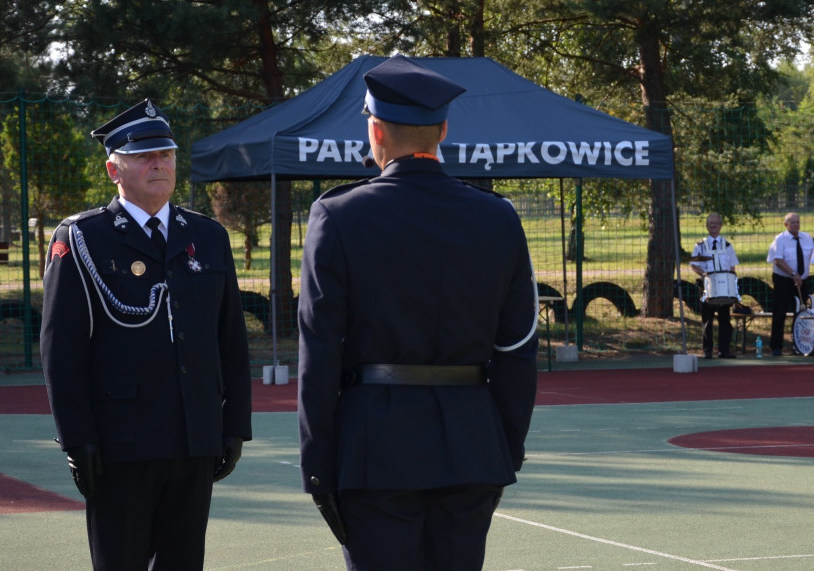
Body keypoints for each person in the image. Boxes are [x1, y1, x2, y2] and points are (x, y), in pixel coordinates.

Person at [297, 55, 538, 571]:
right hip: (474, 446)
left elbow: (319, 354)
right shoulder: (498, 217)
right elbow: (517, 351)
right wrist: (504, 448)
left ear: (375, 130)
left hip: (374, 452)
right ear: (443, 130)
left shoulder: (338, 215)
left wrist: (318, 464)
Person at [40, 99, 252, 570]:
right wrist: (77, 438)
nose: (159, 163)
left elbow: (231, 340)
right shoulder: (82, 238)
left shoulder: (207, 236)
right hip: (120, 442)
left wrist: (234, 425)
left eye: (167, 154)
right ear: (114, 169)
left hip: (194, 436)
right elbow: (62, 349)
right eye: (144, 156)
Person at [690, 213, 739, 359]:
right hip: (707, 285)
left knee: (725, 320)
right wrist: (705, 275)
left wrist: (732, 285)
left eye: (716, 223)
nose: (713, 226)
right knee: (707, 320)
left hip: (724, 287)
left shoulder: (728, 245)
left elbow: (732, 267)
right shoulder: (700, 246)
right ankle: (708, 351)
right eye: (711, 223)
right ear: (707, 226)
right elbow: (694, 265)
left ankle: (724, 350)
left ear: (721, 226)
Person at [766, 212, 814, 356]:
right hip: (783, 280)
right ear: (786, 224)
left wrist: (799, 277)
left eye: (797, 221)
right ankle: (776, 347)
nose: (796, 224)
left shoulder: (807, 238)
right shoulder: (780, 239)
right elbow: (777, 260)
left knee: (801, 313)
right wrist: (793, 274)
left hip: (801, 281)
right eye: (792, 222)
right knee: (780, 312)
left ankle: (799, 345)